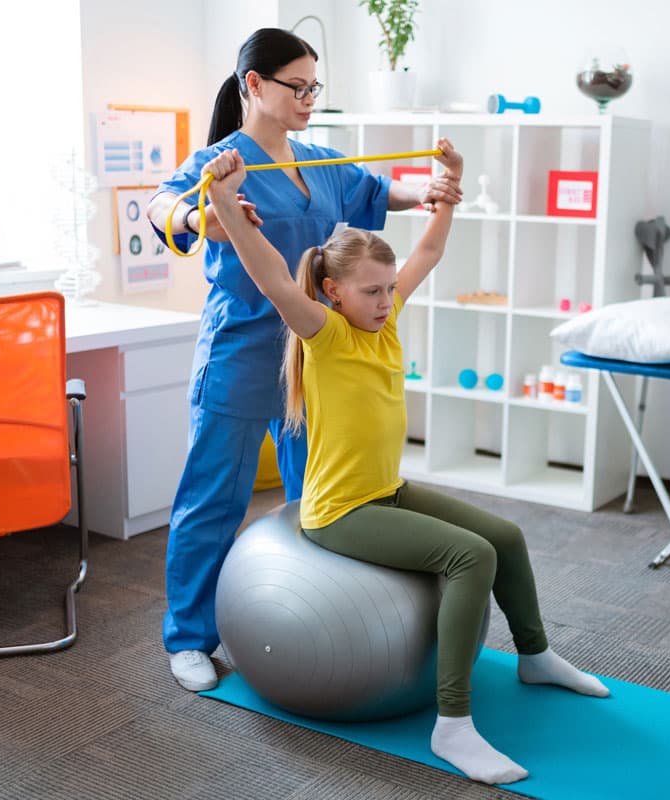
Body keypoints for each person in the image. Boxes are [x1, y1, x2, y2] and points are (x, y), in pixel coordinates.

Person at [199, 139, 610, 786]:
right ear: (332, 292)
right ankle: (453, 725)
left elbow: (429, 251)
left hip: (385, 491)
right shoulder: (325, 333)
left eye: (390, 289)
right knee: (471, 557)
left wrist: (451, 184)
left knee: (505, 536)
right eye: (371, 292)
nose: (388, 300)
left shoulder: (383, 325)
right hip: (339, 512)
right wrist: (223, 197)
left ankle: (536, 655)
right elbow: (274, 277)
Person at [145, 27, 463, 693]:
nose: (310, 98)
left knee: (316, 496)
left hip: (312, 361)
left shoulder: (320, 162)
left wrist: (431, 192)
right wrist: (204, 214)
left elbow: (377, 192)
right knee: (213, 498)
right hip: (240, 351)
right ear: (254, 85)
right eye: (299, 86)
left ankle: (315, 621)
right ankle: (189, 636)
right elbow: (162, 206)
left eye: (316, 87)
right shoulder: (221, 161)